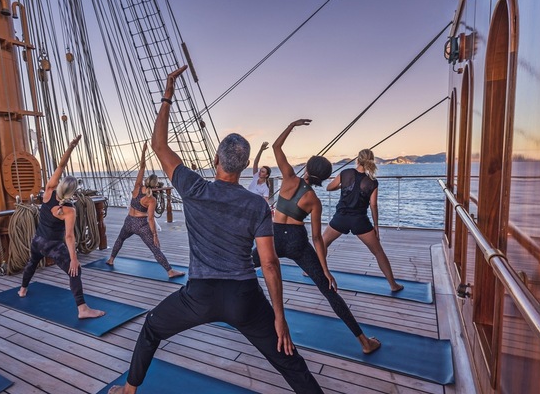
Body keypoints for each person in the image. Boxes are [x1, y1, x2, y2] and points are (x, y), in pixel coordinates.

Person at [107, 67, 323, 394]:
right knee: (289, 360)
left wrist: (168, 90)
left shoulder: (194, 187)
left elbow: (159, 145)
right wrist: (280, 316)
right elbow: (268, 264)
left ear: (215, 160)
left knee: (151, 328)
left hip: (200, 296)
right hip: (244, 298)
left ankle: (127, 392)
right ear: (243, 166)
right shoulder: (255, 205)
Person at [252, 119, 382, 355]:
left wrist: (291, 125)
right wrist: (325, 270)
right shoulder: (314, 200)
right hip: (296, 241)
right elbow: (316, 238)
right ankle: (364, 342)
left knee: (242, 264)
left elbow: (277, 148)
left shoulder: (289, 177)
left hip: (272, 237)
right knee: (328, 291)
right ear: (323, 178)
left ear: (308, 169)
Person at [18, 136, 106, 319]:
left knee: (32, 263)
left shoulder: (49, 191)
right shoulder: (69, 209)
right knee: (75, 271)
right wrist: (74, 259)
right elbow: (69, 237)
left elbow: (61, 166)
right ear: (72, 192)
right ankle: (83, 309)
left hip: (37, 241)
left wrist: (70, 147)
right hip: (53, 245)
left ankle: (22, 289)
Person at [323, 149, 404, 292]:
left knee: (322, 243)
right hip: (359, 220)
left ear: (357, 160)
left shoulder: (345, 173)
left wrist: (343, 185)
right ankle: (393, 285)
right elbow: (373, 205)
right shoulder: (372, 182)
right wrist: (376, 226)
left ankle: (309, 271)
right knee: (378, 252)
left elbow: (329, 188)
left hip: (341, 218)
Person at [106, 141, 185, 278]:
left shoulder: (137, 187)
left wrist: (143, 152)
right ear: (155, 186)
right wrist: (155, 235)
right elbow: (150, 219)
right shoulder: (151, 199)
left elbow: (142, 166)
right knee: (155, 249)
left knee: (120, 239)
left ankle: (111, 259)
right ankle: (170, 271)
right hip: (141, 224)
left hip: (129, 221)